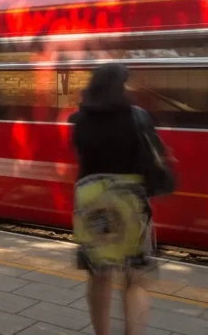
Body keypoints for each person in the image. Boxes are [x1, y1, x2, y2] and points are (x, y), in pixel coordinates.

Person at [69, 63, 161, 335]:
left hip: (91, 204)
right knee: (135, 278)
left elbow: (82, 158)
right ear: (120, 86)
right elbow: (151, 160)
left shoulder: (80, 119)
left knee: (99, 275)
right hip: (130, 203)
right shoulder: (139, 117)